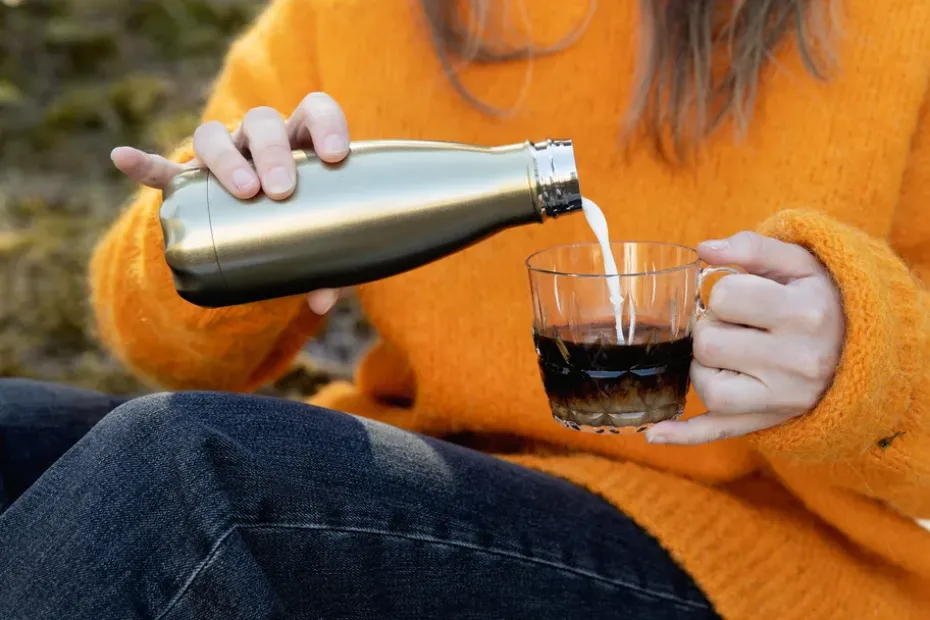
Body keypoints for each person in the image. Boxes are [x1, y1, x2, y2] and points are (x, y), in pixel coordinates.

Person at [1, 0, 929, 617]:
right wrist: (220, 228)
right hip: (438, 475)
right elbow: (161, 349)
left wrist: (868, 356)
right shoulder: (354, 15)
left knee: (181, 475)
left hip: (747, 562)